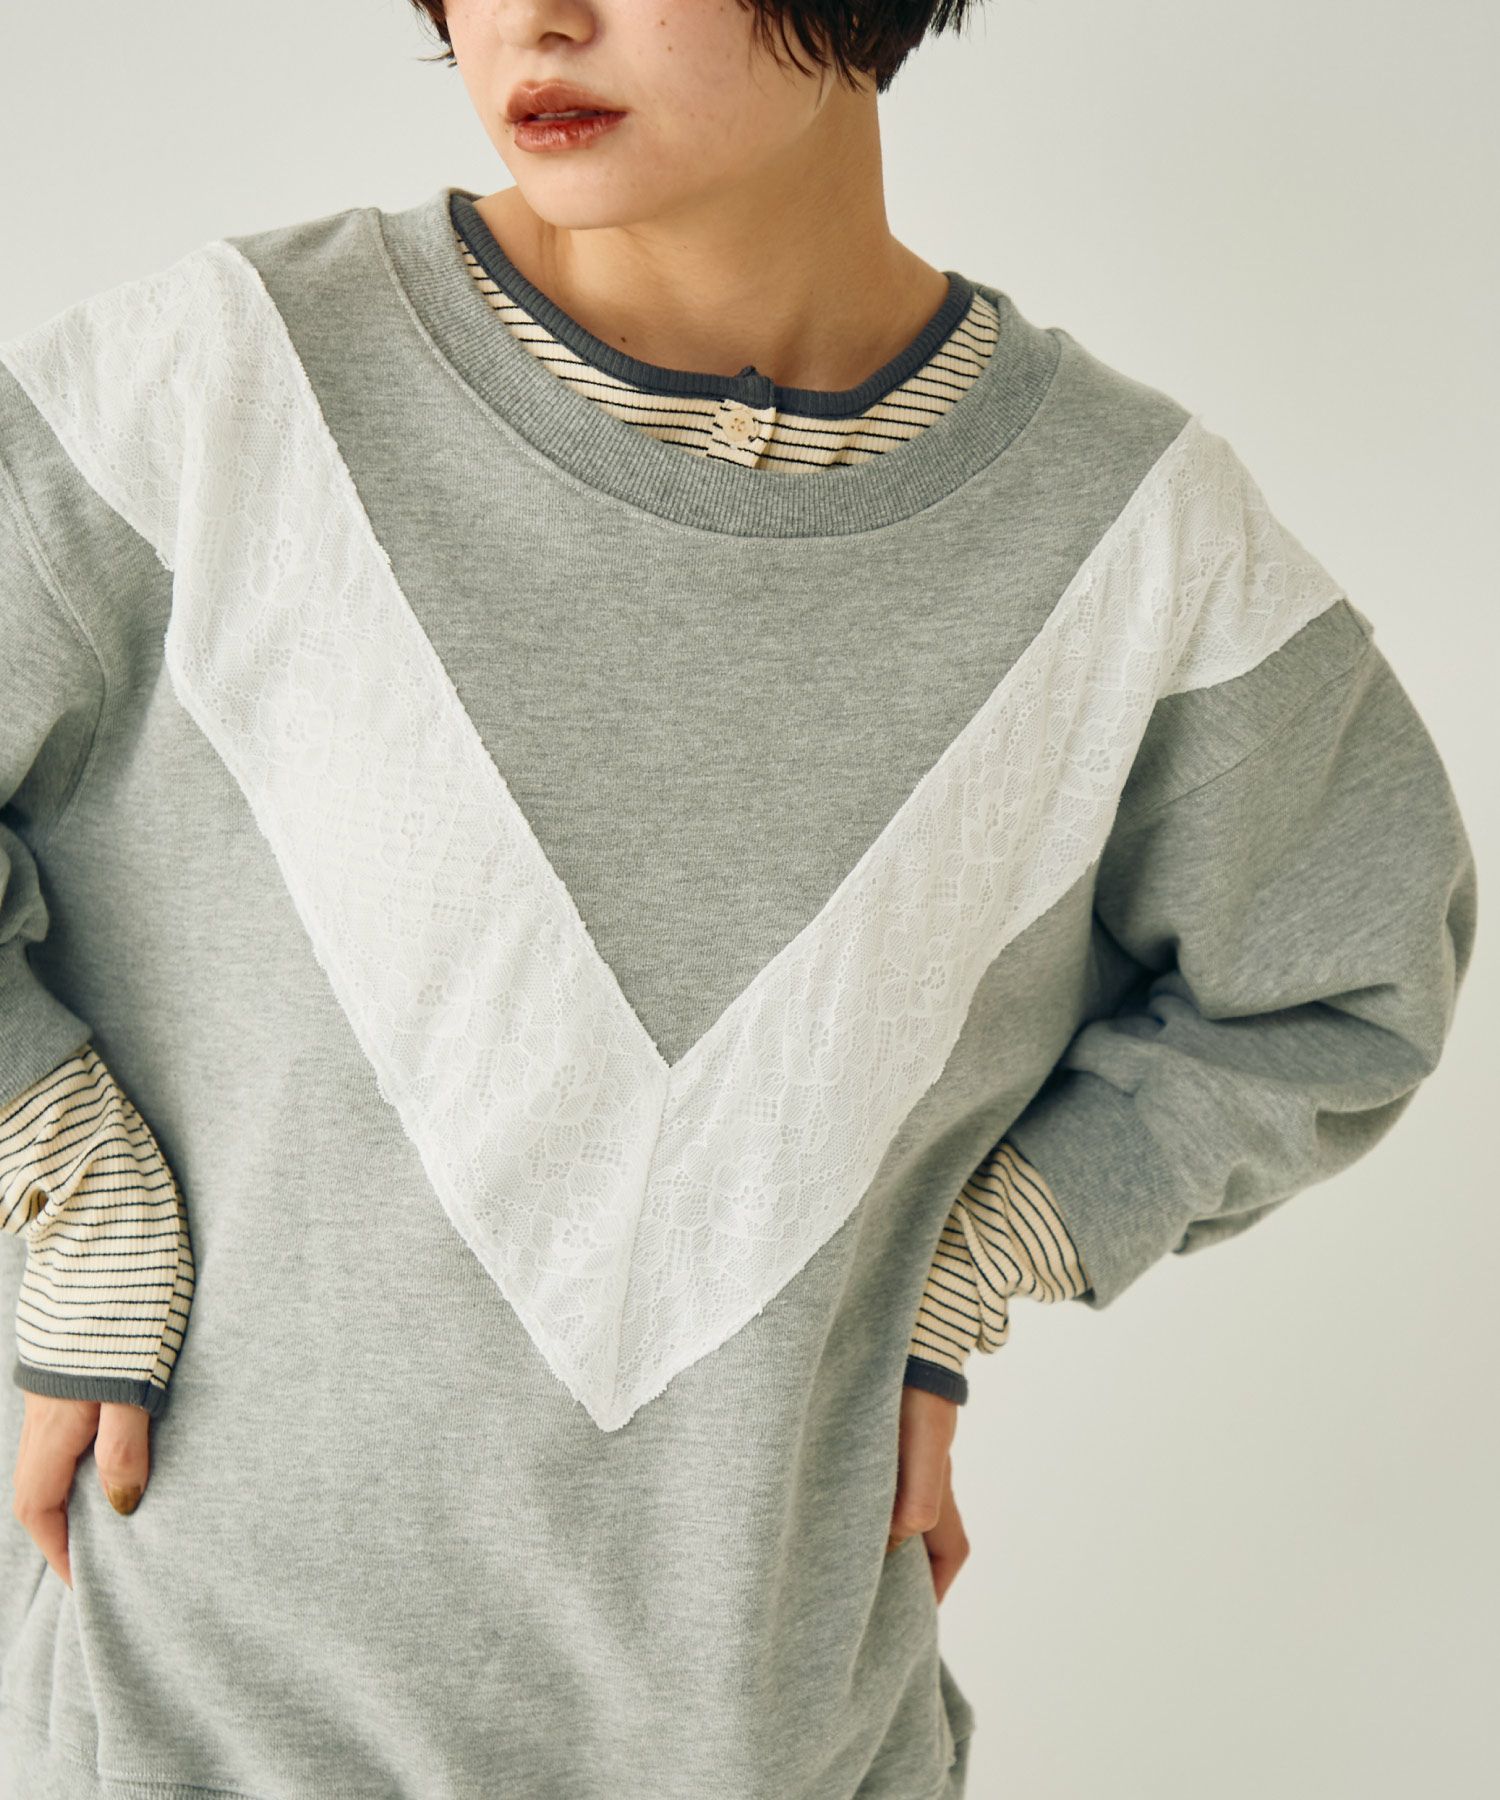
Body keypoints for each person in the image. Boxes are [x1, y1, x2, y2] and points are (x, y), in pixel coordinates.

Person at [0, 2, 1477, 1795]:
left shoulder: (1139, 550)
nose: (537, 20)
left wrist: (969, 1269)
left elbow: (1347, 975)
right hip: (181, 1728)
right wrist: (69, 1184)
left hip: (781, 1743)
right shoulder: (215, 393)